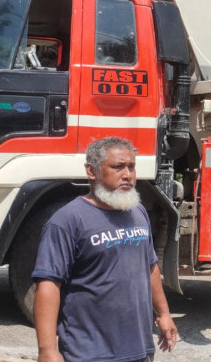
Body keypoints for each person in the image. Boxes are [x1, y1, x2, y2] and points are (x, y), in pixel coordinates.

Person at [32, 136, 178, 362]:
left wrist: (165, 314)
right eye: (118, 167)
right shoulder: (67, 221)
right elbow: (49, 285)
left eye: (131, 167)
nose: (128, 175)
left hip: (138, 350)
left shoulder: (137, 212)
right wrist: (48, 351)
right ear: (92, 171)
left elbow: (150, 268)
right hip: (89, 353)